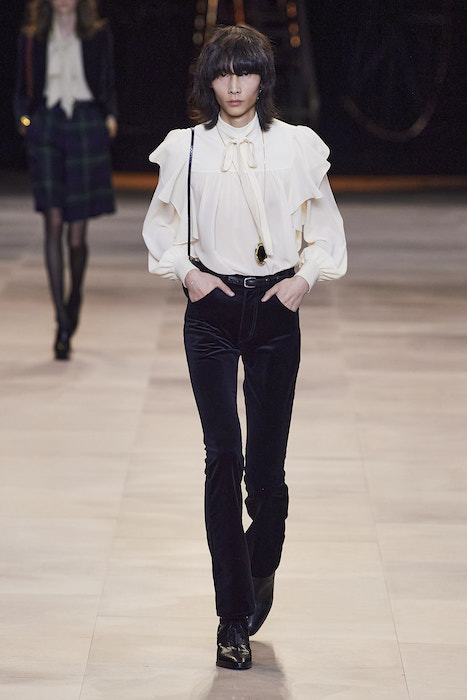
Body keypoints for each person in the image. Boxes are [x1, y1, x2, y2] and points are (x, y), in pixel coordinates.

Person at [142, 25, 347, 670]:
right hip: (211, 308)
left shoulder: (296, 145)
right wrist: (190, 275)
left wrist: (301, 282)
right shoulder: (186, 148)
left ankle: (263, 562)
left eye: (246, 72)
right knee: (222, 457)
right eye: (224, 72)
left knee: (265, 470)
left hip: (275, 307)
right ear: (209, 79)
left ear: (263, 79)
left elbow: (325, 229)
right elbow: (160, 228)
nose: (234, 85)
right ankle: (231, 615)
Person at [14, 0, 118, 360]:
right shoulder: (32, 37)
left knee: (76, 237)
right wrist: (24, 120)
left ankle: (75, 298)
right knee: (53, 223)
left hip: (86, 123)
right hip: (46, 126)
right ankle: (61, 321)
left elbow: (108, 78)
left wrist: (110, 116)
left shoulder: (97, 33)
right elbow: (21, 85)